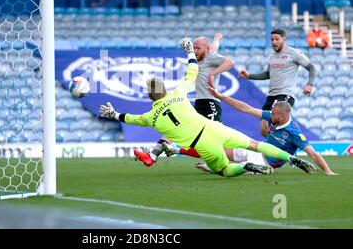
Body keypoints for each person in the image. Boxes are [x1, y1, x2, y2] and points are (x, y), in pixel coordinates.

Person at [99, 37, 316, 177]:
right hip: (212, 128)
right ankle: (292, 159)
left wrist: (113, 114)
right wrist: (189, 53)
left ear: (149, 96)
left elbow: (131, 118)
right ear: (164, 90)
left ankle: (246, 167)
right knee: (255, 144)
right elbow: (191, 72)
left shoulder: (150, 116)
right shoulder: (178, 94)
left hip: (201, 141)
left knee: (223, 169)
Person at [134, 33, 235, 167]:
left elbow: (230, 62)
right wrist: (217, 39)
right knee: (175, 128)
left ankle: (177, 150)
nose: (195, 51)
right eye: (194, 48)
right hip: (199, 104)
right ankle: (152, 156)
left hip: (211, 104)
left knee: (211, 142)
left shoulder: (211, 58)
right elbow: (213, 48)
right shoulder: (203, 58)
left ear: (206, 48)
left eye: (198, 48)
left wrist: (213, 73)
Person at [189, 87, 337, 175]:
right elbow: (246, 108)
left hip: (264, 161)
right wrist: (222, 97)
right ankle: (212, 165)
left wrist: (327, 171)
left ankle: (217, 168)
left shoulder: (294, 132)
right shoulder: (273, 117)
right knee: (221, 150)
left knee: (231, 170)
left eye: (273, 114)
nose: (270, 115)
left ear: (283, 116)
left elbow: (313, 153)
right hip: (256, 149)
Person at [238, 29, 317, 138]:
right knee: (263, 129)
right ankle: (279, 149)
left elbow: (312, 67)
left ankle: (292, 144)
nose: (274, 42)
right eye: (272, 40)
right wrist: (249, 76)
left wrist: (310, 84)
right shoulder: (272, 56)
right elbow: (268, 74)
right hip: (271, 96)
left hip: (285, 95)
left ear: (284, 39)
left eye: (277, 39)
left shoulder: (293, 53)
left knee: (274, 123)